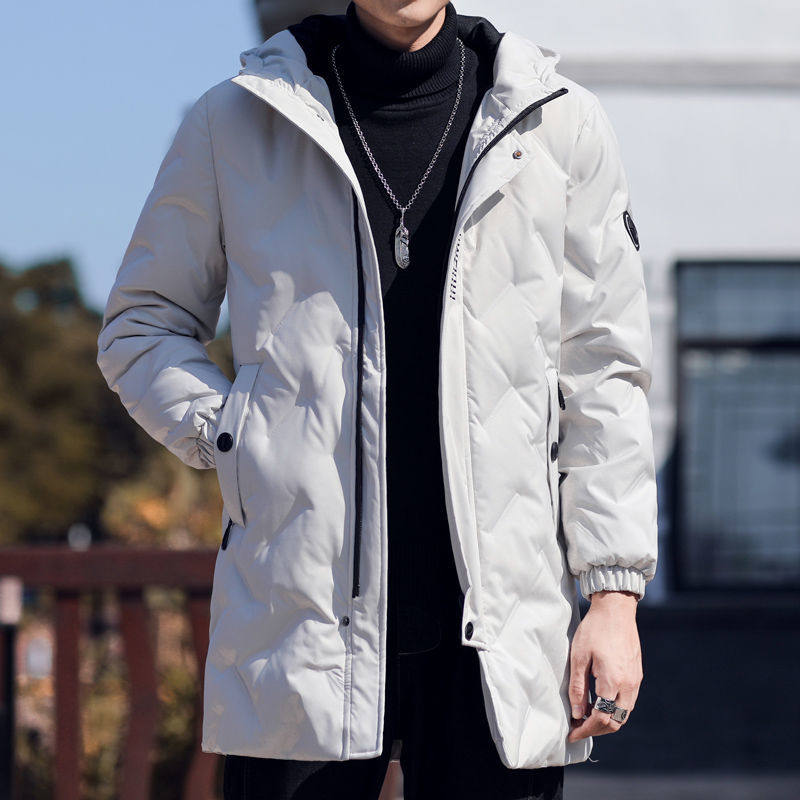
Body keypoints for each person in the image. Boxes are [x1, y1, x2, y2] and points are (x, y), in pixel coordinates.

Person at [96, 1, 658, 798]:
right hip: (299, 623)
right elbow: (142, 326)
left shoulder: (557, 122)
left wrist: (613, 594)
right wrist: (235, 433)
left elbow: (603, 373)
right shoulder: (239, 120)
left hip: (498, 634)